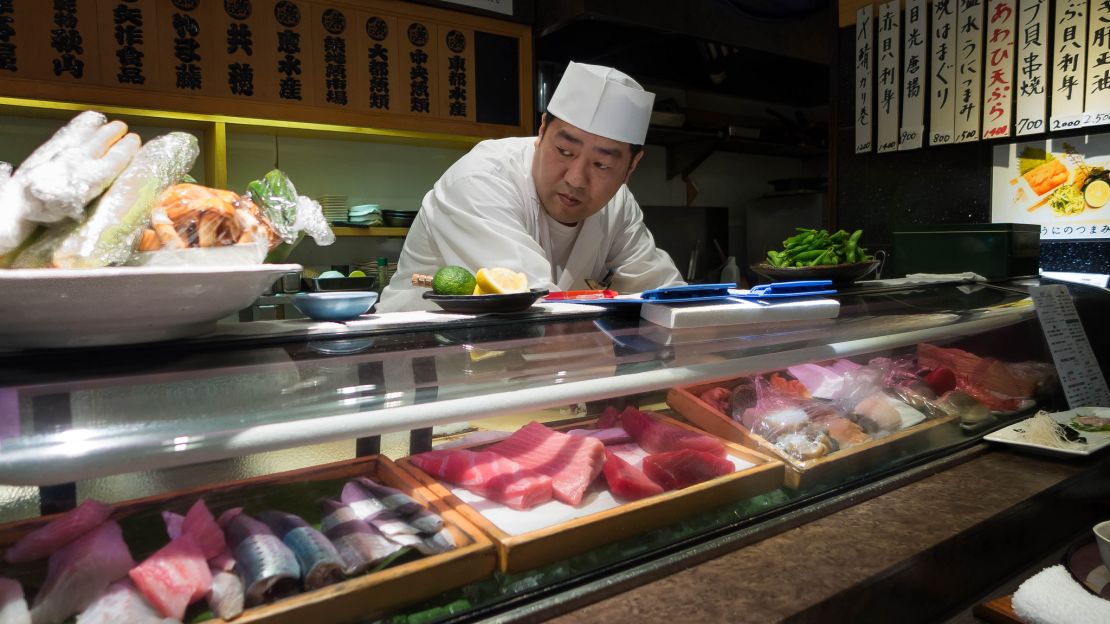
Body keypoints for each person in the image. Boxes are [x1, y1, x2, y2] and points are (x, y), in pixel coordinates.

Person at [376, 61, 685, 312]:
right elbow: (534, 304)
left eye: (602, 165)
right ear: (541, 131)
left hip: (524, 359)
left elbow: (666, 295)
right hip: (426, 362)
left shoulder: (618, 204)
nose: (576, 179)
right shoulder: (481, 180)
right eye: (564, 151)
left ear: (631, 167)